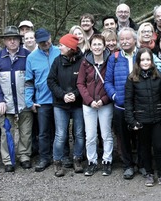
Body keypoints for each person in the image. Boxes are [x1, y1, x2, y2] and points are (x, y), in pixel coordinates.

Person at [125, 48, 161, 188]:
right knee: (144, 147)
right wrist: (131, 120)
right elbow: (128, 101)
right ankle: (149, 174)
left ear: (152, 61)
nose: (145, 62)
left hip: (158, 118)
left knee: (159, 146)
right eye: (142, 60)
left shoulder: (159, 77)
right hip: (141, 119)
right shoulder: (132, 78)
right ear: (138, 61)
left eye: (148, 59)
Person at [0, 26, 33, 172]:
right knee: (6, 132)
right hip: (6, 102)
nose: (12, 41)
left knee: (26, 131)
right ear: (4, 41)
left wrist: (31, 99)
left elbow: (31, 79)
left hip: (24, 101)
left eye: (15, 38)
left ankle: (24, 156)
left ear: (19, 40)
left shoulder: (27, 55)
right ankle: (8, 159)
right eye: (9, 39)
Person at [105, 27, 141, 180]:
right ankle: (128, 166)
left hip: (140, 105)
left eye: (128, 38)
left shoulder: (142, 55)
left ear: (134, 40)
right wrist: (114, 96)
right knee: (123, 137)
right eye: (123, 39)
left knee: (141, 137)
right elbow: (107, 81)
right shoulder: (114, 57)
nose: (125, 41)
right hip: (120, 105)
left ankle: (142, 164)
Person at [47, 34, 85, 177]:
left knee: (79, 134)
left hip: (78, 104)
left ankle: (77, 159)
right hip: (60, 104)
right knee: (61, 134)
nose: (59, 47)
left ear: (70, 47)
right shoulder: (57, 61)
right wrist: (62, 95)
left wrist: (75, 94)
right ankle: (58, 162)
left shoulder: (82, 62)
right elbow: (51, 81)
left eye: (62, 45)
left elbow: (84, 82)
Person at [25, 28, 61, 172]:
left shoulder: (59, 51)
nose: (45, 43)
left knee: (60, 130)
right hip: (42, 100)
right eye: (41, 41)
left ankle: (61, 156)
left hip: (60, 99)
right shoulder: (31, 58)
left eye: (46, 39)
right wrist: (29, 100)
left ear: (51, 37)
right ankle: (44, 157)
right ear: (36, 42)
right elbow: (29, 81)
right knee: (43, 131)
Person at [78, 34, 114, 176]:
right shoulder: (85, 62)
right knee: (90, 135)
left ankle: (107, 160)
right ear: (90, 46)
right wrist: (89, 100)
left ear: (104, 46)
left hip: (105, 103)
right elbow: (80, 83)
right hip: (89, 104)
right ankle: (92, 161)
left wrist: (104, 100)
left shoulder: (110, 61)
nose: (97, 47)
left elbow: (111, 82)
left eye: (100, 44)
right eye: (95, 44)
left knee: (106, 134)